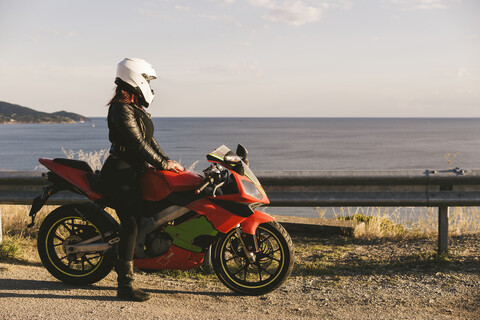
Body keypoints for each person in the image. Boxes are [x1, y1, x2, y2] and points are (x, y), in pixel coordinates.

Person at [101, 57, 184, 302]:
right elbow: (137, 144)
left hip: (135, 171)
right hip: (120, 172)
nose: (148, 83)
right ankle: (124, 285)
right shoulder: (121, 107)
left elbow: (149, 141)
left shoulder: (136, 108)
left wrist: (168, 162)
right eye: (146, 78)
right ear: (134, 77)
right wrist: (161, 163)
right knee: (132, 223)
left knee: (147, 216)